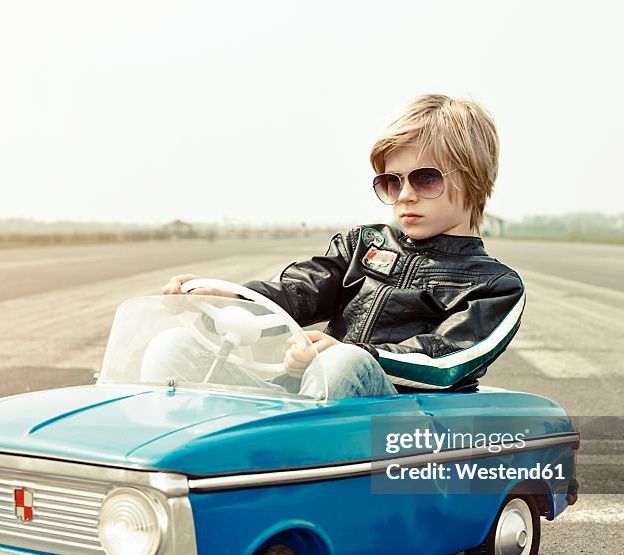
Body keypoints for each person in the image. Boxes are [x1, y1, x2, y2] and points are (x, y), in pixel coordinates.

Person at [160, 93, 524, 398]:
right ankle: (175, 480)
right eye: (392, 182)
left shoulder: (496, 286)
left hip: (399, 421)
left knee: (343, 362)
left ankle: (294, 468)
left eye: (425, 179)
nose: (406, 196)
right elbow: (298, 290)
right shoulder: (363, 244)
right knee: (175, 347)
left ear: (474, 179)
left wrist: (352, 353)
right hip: (317, 395)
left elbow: (447, 361)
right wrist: (226, 300)